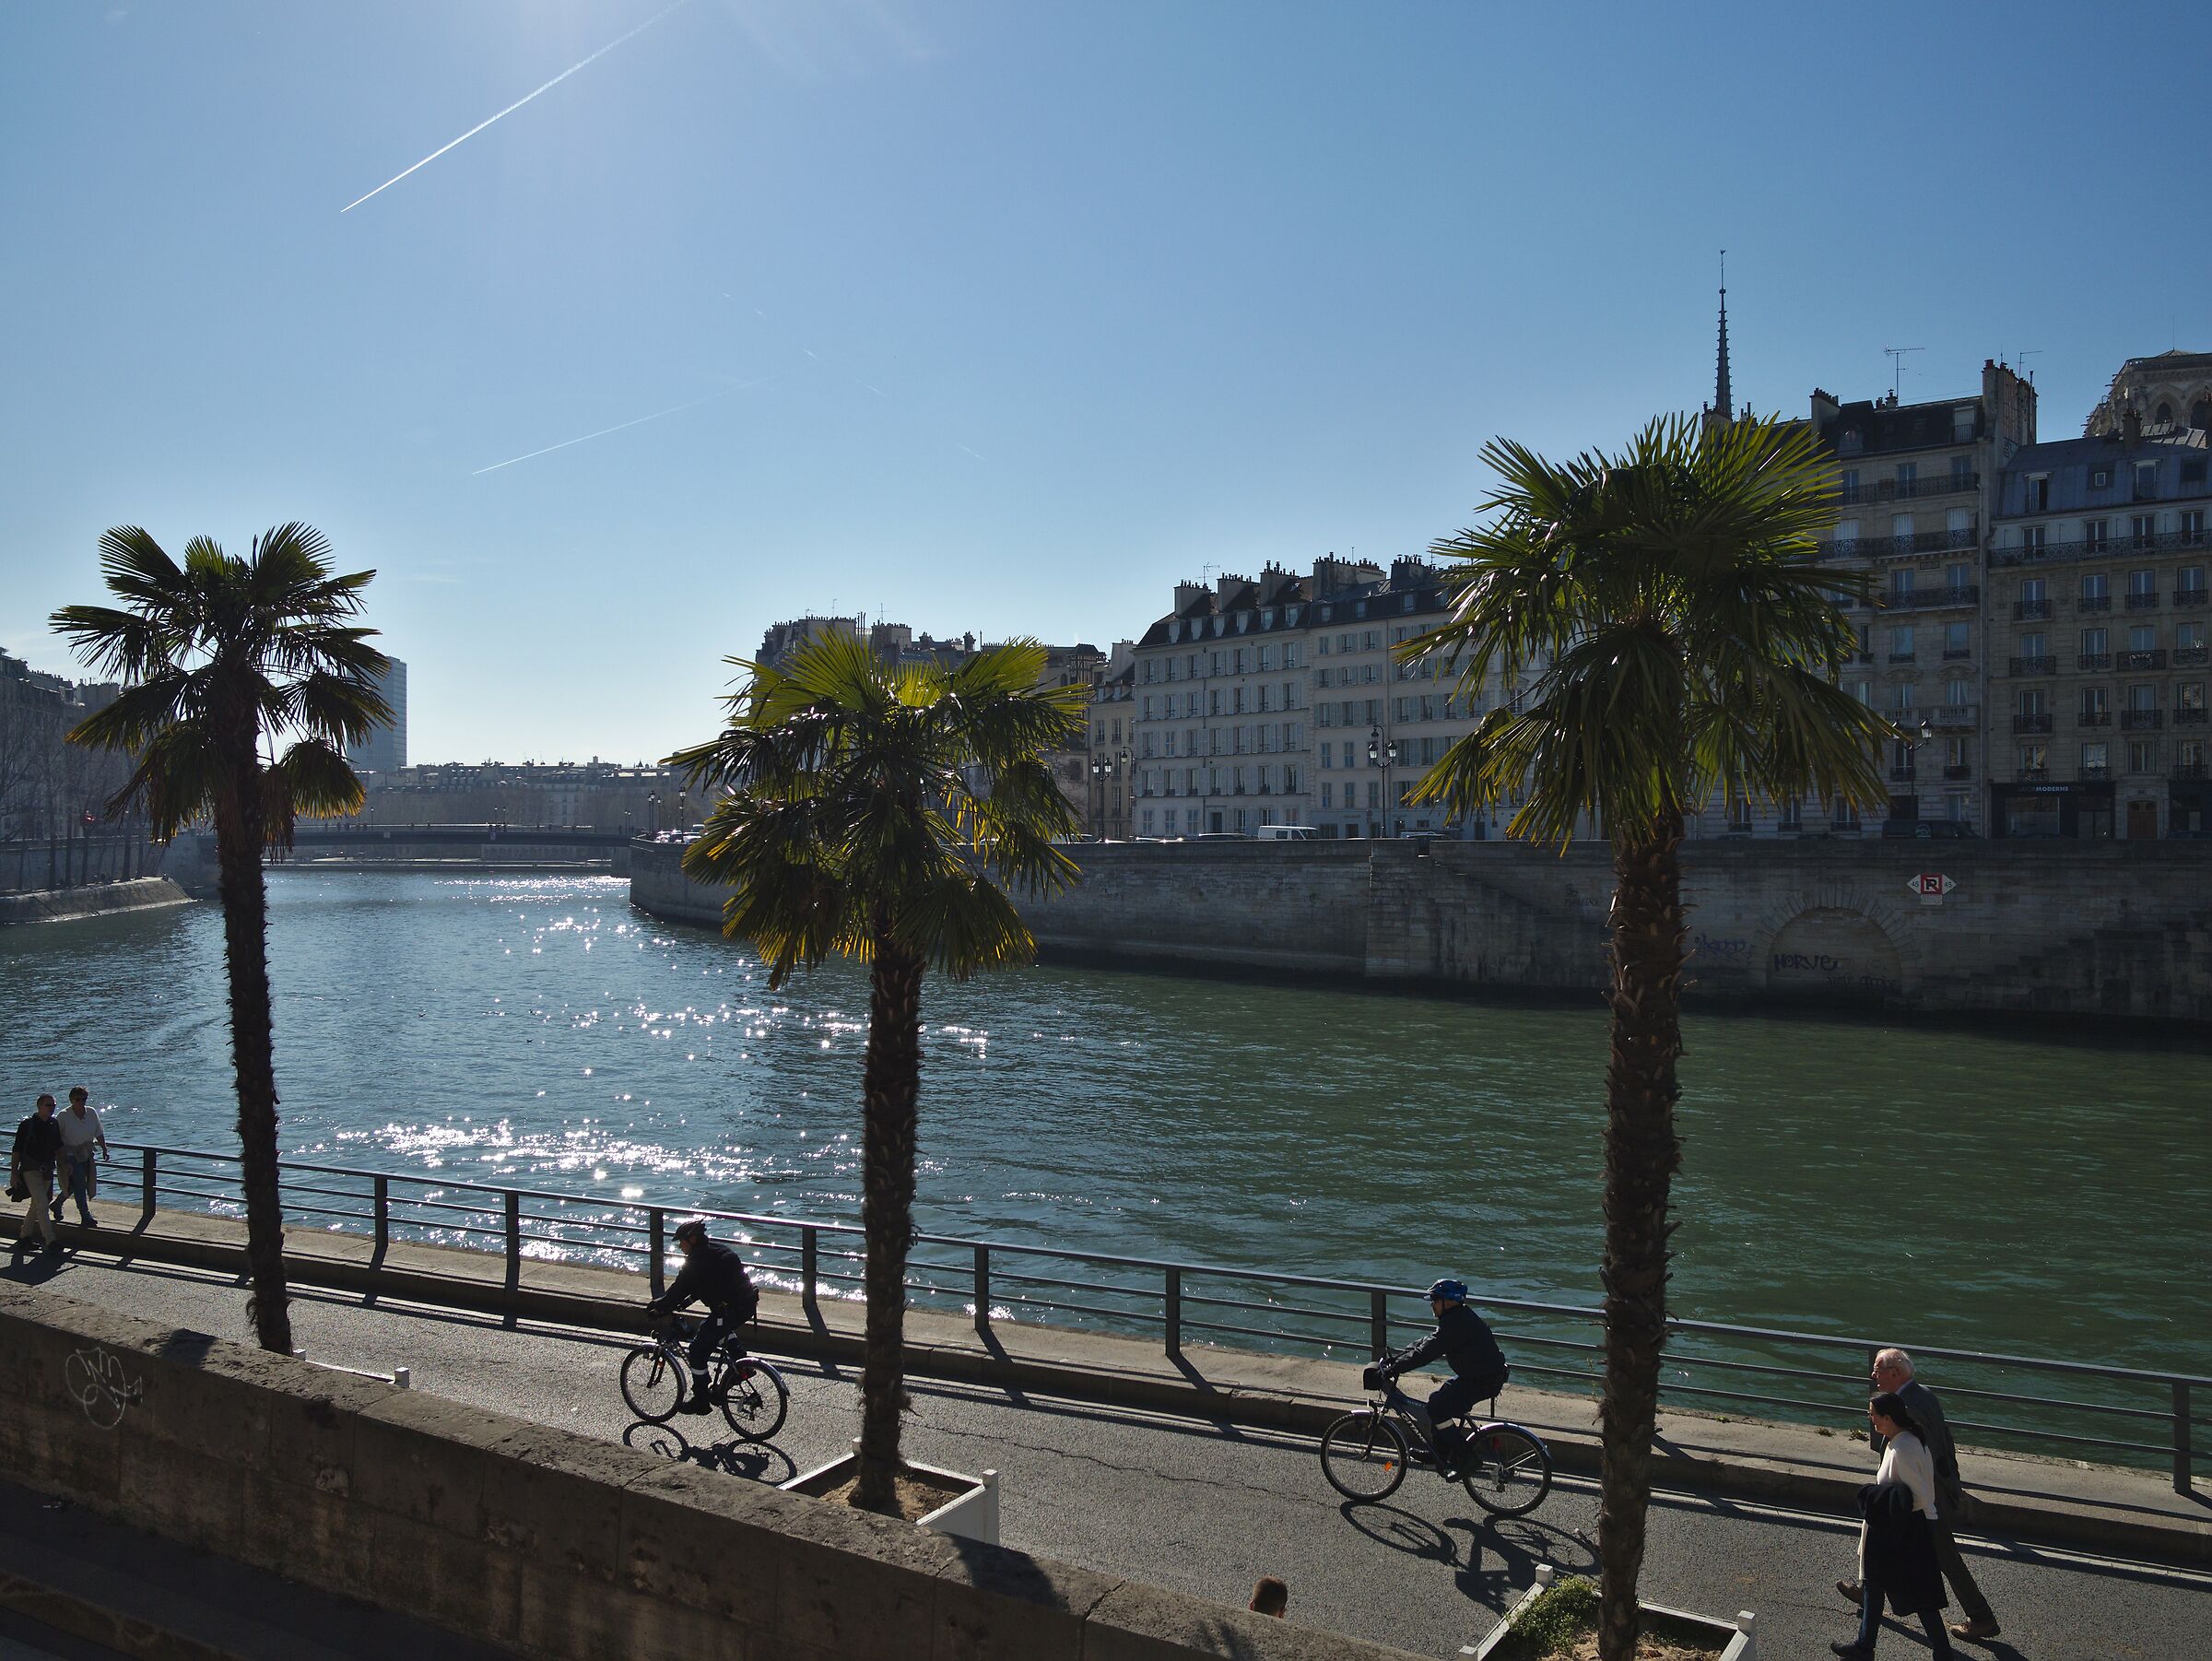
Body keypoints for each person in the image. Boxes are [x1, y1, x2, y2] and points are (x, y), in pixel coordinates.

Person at [1839, 1349, 2000, 1643]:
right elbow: (1944, 1441)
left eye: (1878, 1370)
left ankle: (1981, 1617)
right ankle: (1868, 1592)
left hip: (1926, 1496)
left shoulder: (1905, 1406)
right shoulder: (1924, 1394)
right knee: (1883, 1543)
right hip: (1937, 1486)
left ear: (1895, 1374)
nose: (1873, 1376)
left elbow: (1914, 1452)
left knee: (1944, 1558)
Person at [1832, 1391, 1951, 1659]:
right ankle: (1864, 1646)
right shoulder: (1899, 1440)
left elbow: (1919, 1495)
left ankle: (1943, 1653)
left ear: (1887, 1417)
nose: (1870, 1418)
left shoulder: (1903, 1448)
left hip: (1903, 1530)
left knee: (1920, 1594)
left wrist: (1878, 1500)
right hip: (1898, 1528)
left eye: (1872, 1413)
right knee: (1874, 1585)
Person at [1379, 1278, 1508, 1468]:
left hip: (1483, 1380)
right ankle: (1440, 1452)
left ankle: (1467, 1458)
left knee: (1438, 1407)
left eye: (1435, 1300)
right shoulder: (1456, 1318)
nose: (1432, 1305)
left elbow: (1425, 1353)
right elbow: (1426, 1342)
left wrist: (1394, 1368)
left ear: (1447, 1302)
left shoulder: (1456, 1324)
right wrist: (1396, 1359)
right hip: (1478, 1375)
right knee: (1438, 1399)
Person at [644, 1219, 760, 1415]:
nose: (680, 1246)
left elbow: (678, 1290)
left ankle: (701, 1400)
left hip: (730, 1308)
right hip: (746, 1304)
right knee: (718, 1329)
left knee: (697, 1350)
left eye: (682, 1242)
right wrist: (685, 1302)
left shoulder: (696, 1262)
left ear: (693, 1239)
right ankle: (742, 1366)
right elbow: (706, 1284)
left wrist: (659, 1307)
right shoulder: (716, 1251)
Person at [11, 1094, 63, 1255]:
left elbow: (58, 1146)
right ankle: (51, 1240)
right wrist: (14, 1173)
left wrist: (66, 1165)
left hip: (47, 1170)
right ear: (39, 1106)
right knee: (42, 1204)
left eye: (53, 1105)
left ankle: (24, 1236)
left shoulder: (54, 1124)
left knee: (37, 1205)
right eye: (48, 1105)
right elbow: (17, 1150)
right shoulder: (27, 1125)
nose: (52, 1107)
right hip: (30, 1169)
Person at [52, 1086, 108, 1230]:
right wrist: (62, 1159)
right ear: (72, 1099)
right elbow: (56, 1138)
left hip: (87, 1153)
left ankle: (57, 1204)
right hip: (70, 1155)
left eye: (84, 1099)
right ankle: (85, 1215)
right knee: (80, 1184)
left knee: (74, 1185)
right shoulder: (64, 1116)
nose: (81, 1102)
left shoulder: (91, 1112)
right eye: (78, 1099)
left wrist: (104, 1149)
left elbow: (98, 1132)